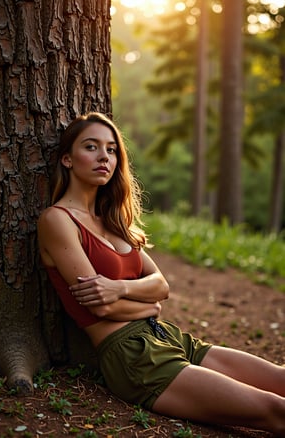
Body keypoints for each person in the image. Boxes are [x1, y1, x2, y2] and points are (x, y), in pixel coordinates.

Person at [37, 112, 285, 436]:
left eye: (112, 150)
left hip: (168, 337)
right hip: (135, 358)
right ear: (68, 159)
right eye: (91, 147)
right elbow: (101, 307)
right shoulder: (57, 221)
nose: (104, 157)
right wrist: (147, 305)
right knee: (276, 411)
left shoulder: (112, 220)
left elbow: (160, 285)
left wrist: (122, 290)